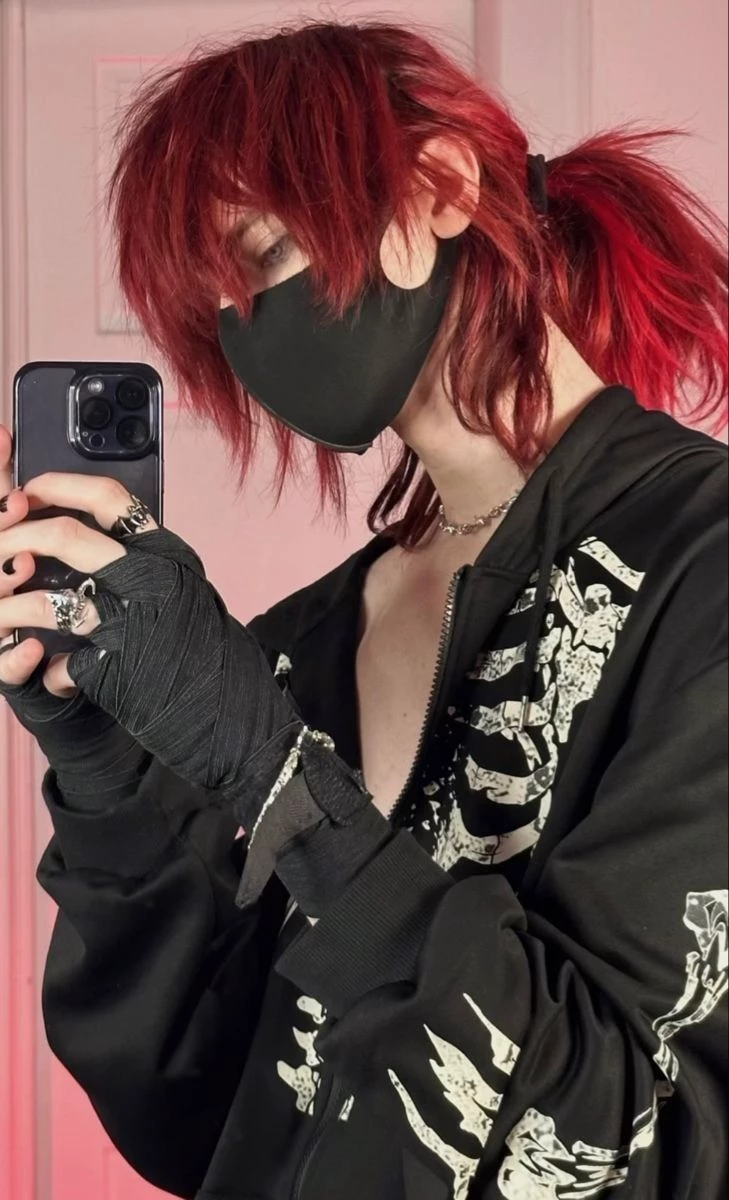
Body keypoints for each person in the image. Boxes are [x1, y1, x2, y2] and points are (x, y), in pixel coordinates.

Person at [0, 19, 727, 1200]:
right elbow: (193, 1111)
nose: (247, 333)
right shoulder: (304, 641)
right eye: (215, 309)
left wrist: (277, 775)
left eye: (262, 255)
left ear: (439, 187)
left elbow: (616, 1145)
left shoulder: (702, 569)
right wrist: (104, 763)